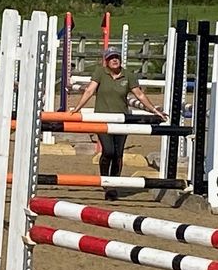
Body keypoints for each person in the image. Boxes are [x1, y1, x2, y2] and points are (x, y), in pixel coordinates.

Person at [69, 48, 167, 200]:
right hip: (102, 119)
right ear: (106, 61)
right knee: (108, 151)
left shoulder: (128, 75)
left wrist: (154, 110)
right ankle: (105, 181)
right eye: (111, 58)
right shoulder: (100, 73)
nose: (115, 60)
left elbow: (139, 94)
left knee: (118, 154)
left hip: (122, 119)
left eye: (117, 57)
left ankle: (113, 186)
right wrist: (77, 108)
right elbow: (89, 91)